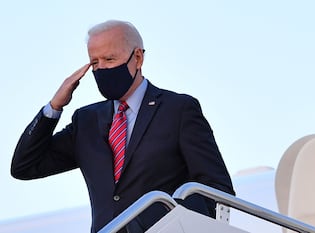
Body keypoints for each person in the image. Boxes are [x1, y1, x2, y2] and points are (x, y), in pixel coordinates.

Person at [11, 20, 235, 233]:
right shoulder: (86, 121)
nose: (101, 69)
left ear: (137, 58)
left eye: (109, 59)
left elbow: (216, 188)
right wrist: (54, 107)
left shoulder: (177, 110)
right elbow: (25, 166)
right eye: (95, 63)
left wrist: (166, 221)